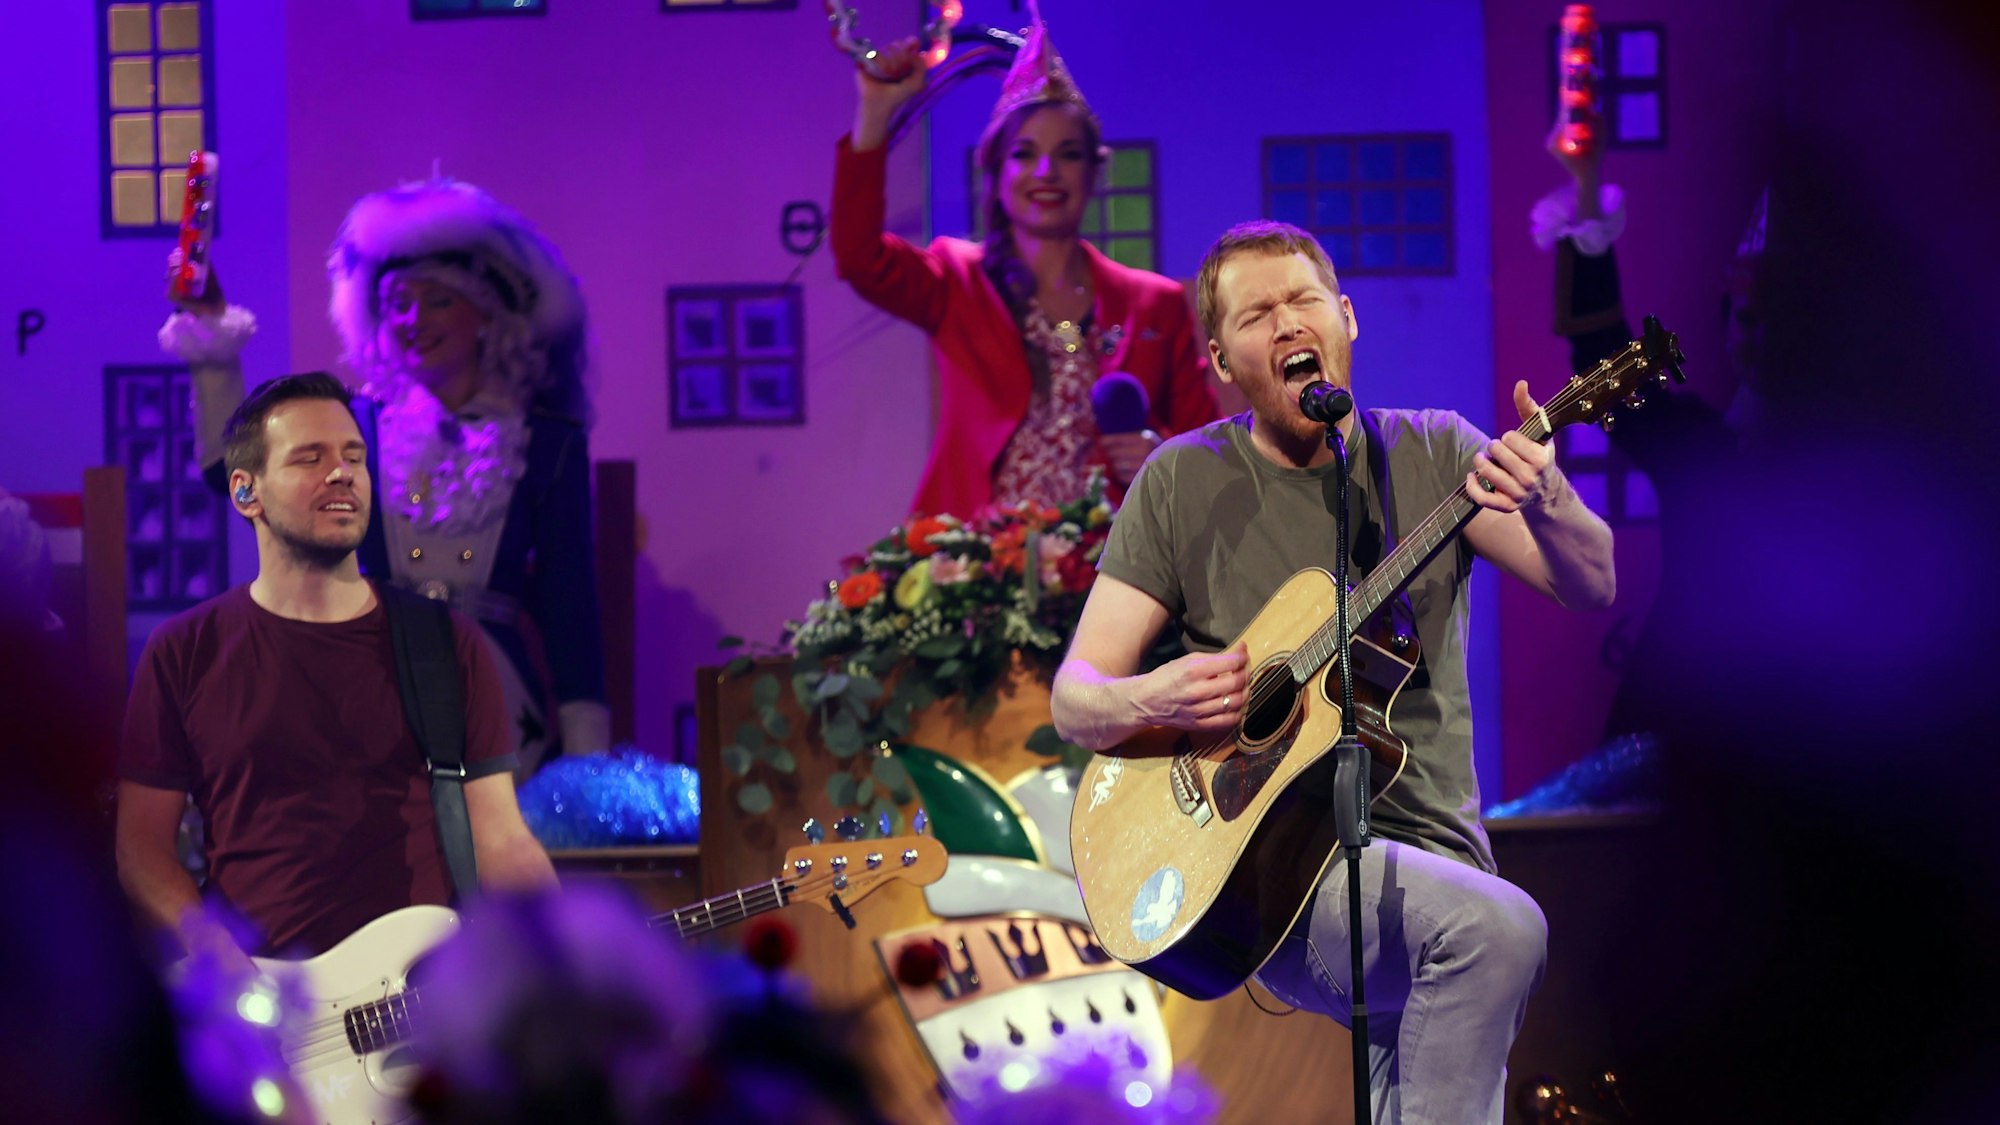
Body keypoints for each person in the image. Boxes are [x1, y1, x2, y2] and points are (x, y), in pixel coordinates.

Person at [1050, 221, 1617, 1122]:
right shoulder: (1178, 481)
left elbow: (1589, 582)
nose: (1287, 325)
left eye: (1304, 300)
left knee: (1430, 1052)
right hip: (1280, 868)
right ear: (1220, 360)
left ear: (1347, 319)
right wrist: (1155, 693)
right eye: (1257, 315)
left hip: (1440, 858)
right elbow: (1078, 698)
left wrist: (1550, 498)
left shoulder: (1435, 452)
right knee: (1499, 932)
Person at [159, 180, 610, 769]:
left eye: (438, 299)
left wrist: (586, 766)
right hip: (369, 680)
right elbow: (233, 473)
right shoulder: (355, 428)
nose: (413, 319)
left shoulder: (546, 445)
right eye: (398, 301)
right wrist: (214, 337)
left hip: (500, 708)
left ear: (485, 313)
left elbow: (569, 607)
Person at [116, 373, 558, 964]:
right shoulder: (183, 651)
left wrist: (563, 959)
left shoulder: (445, 643)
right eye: (310, 458)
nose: (342, 472)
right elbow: (141, 849)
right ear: (246, 492)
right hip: (267, 1005)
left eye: (354, 456)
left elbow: (500, 837)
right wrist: (217, 957)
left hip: (416, 1005)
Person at [830, 5, 1219, 517]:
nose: (1046, 171)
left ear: (1093, 174)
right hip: (976, 566)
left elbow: (1208, 445)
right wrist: (875, 113)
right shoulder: (957, 279)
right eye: (1024, 153)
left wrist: (1159, 452)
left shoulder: (1155, 304)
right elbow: (859, 257)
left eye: (1068, 154)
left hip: (1112, 569)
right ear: (995, 170)